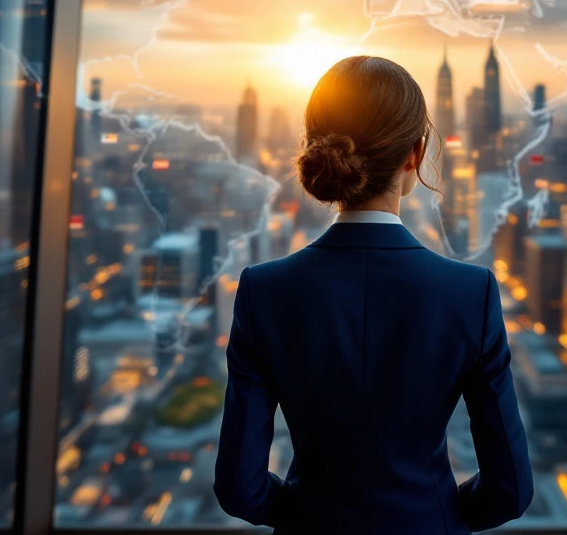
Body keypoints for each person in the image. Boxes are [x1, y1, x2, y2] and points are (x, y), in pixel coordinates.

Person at [214, 56, 533, 534]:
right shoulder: (472, 294)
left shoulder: (263, 292)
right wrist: (436, 510)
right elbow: (510, 491)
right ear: (415, 154)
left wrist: (306, 513)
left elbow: (240, 488)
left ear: (315, 148)